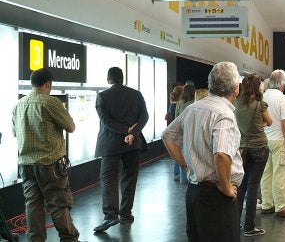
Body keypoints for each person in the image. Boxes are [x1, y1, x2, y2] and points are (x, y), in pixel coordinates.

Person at [162, 61, 244, 242]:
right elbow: (221, 155)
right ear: (235, 88)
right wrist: (226, 187)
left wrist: (185, 165)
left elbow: (168, 136)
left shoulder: (193, 108)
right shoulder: (224, 114)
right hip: (216, 196)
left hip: (194, 193)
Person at [12, 68, 81, 241]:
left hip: (26, 164)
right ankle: (68, 239)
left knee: (32, 205)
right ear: (48, 83)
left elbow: (15, 133)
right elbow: (71, 127)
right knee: (58, 204)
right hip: (50, 163)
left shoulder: (19, 105)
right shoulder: (51, 102)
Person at [93, 67, 149, 232]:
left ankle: (110, 215)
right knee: (129, 177)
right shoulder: (136, 94)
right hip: (133, 143)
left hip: (110, 144)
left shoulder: (102, 96)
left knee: (108, 178)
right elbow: (144, 116)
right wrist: (133, 132)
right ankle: (125, 213)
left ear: (108, 79)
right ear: (122, 78)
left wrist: (126, 131)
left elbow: (106, 121)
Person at [234, 74, 272, 237]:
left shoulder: (236, 104)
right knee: (253, 187)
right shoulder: (260, 104)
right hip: (259, 148)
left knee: (241, 186)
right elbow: (269, 122)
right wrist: (261, 123)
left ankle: (236, 224)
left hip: (242, 149)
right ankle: (249, 227)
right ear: (257, 88)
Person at [260, 69, 285, 218]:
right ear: (282, 83)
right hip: (278, 141)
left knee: (266, 173)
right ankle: (282, 207)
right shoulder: (283, 99)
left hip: (264, 140)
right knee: (280, 175)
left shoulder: (262, 96)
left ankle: (267, 204)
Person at [173, 83, 196, 184]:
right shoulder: (195, 103)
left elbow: (176, 118)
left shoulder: (179, 103)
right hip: (192, 131)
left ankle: (179, 175)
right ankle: (188, 176)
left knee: (179, 153)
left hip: (181, 130)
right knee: (189, 154)